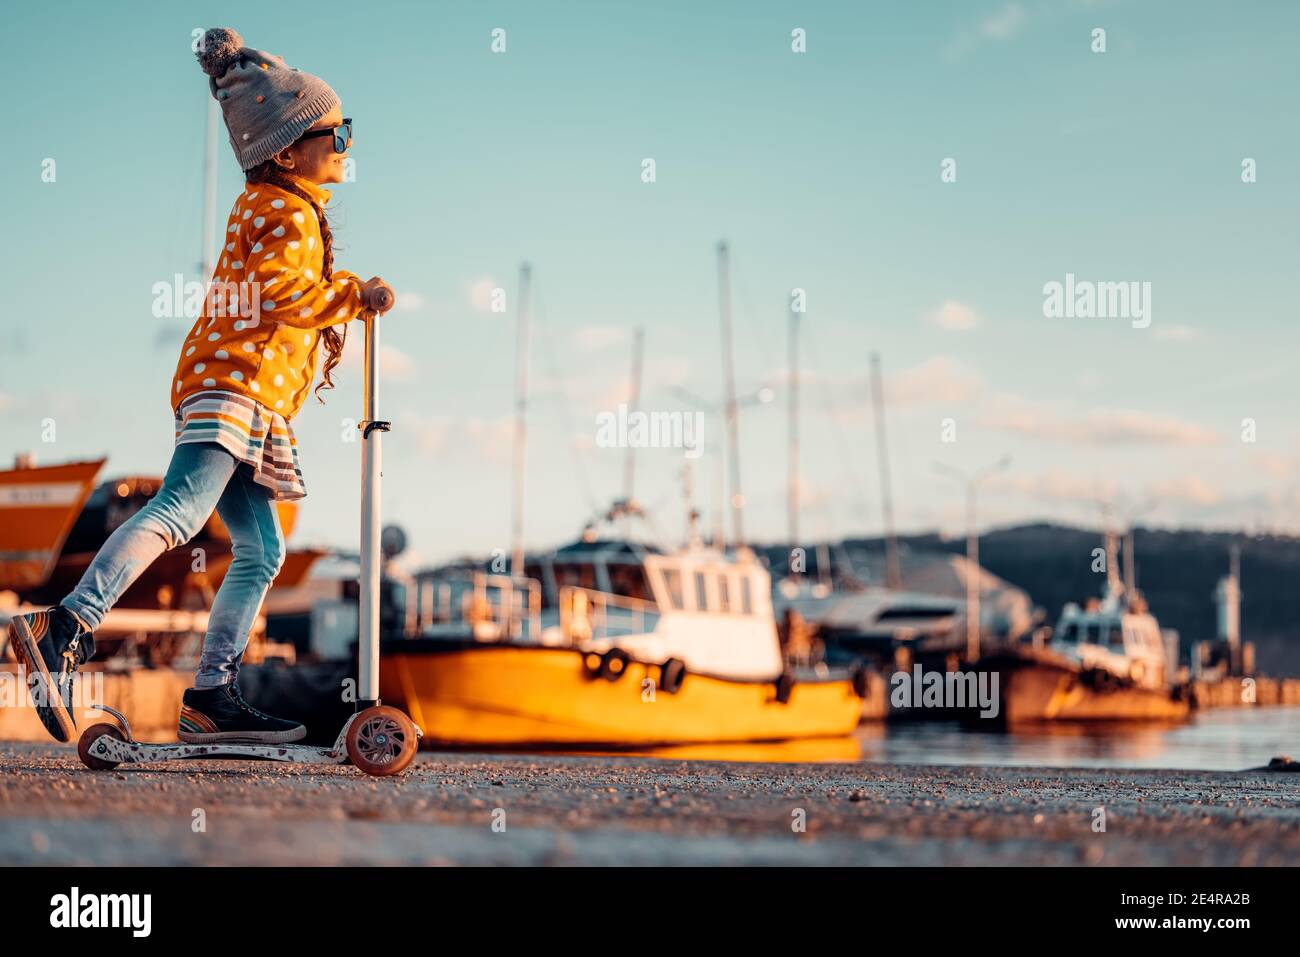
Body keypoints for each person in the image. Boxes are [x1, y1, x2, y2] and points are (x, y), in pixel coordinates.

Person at [6, 27, 394, 745]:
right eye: (333, 134)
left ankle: (212, 693)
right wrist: (353, 296)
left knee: (263, 550)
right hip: (231, 389)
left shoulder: (275, 209)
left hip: (245, 399)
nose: (344, 145)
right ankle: (64, 624)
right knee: (181, 510)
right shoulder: (284, 213)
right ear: (286, 151)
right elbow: (283, 295)